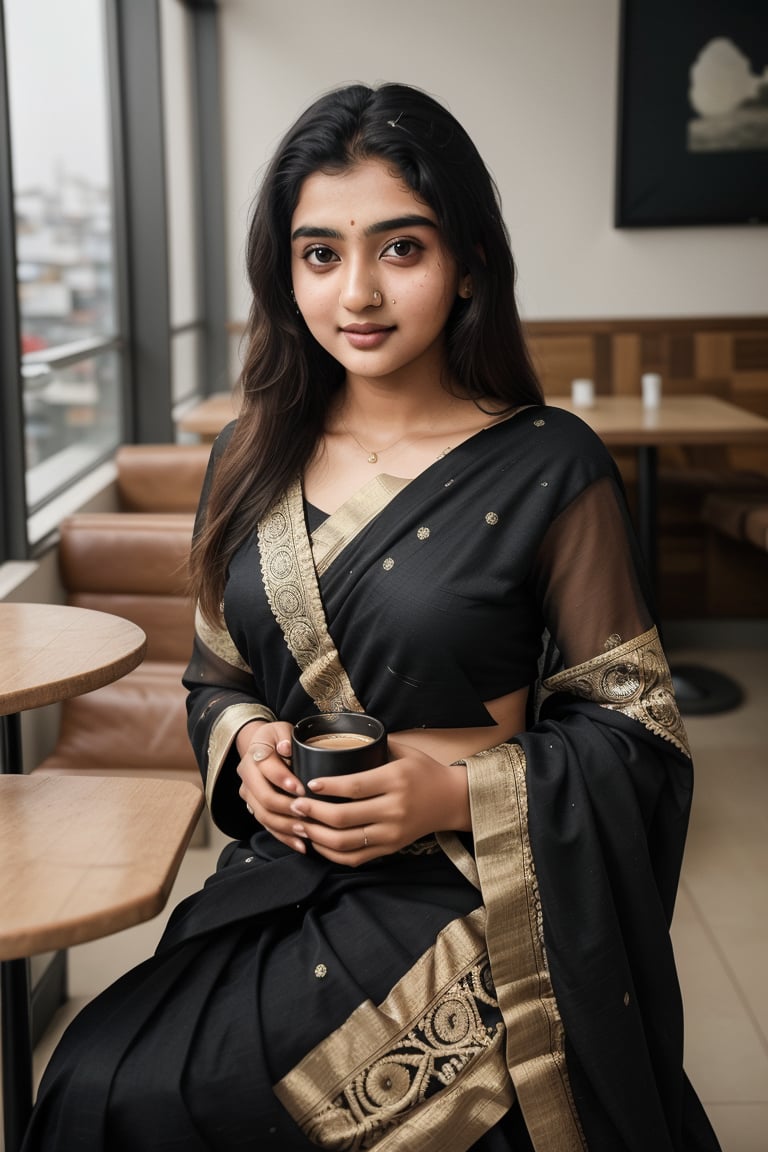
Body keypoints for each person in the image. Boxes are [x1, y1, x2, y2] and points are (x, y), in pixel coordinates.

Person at [22, 82, 721, 1152]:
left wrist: (451, 793)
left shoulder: (549, 463)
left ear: (468, 263)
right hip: (281, 873)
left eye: (400, 249)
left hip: (470, 883)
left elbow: (637, 738)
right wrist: (247, 740)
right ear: (284, 270)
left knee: (205, 1103)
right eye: (319, 254)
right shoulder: (247, 457)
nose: (357, 292)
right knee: (94, 1079)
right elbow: (215, 679)